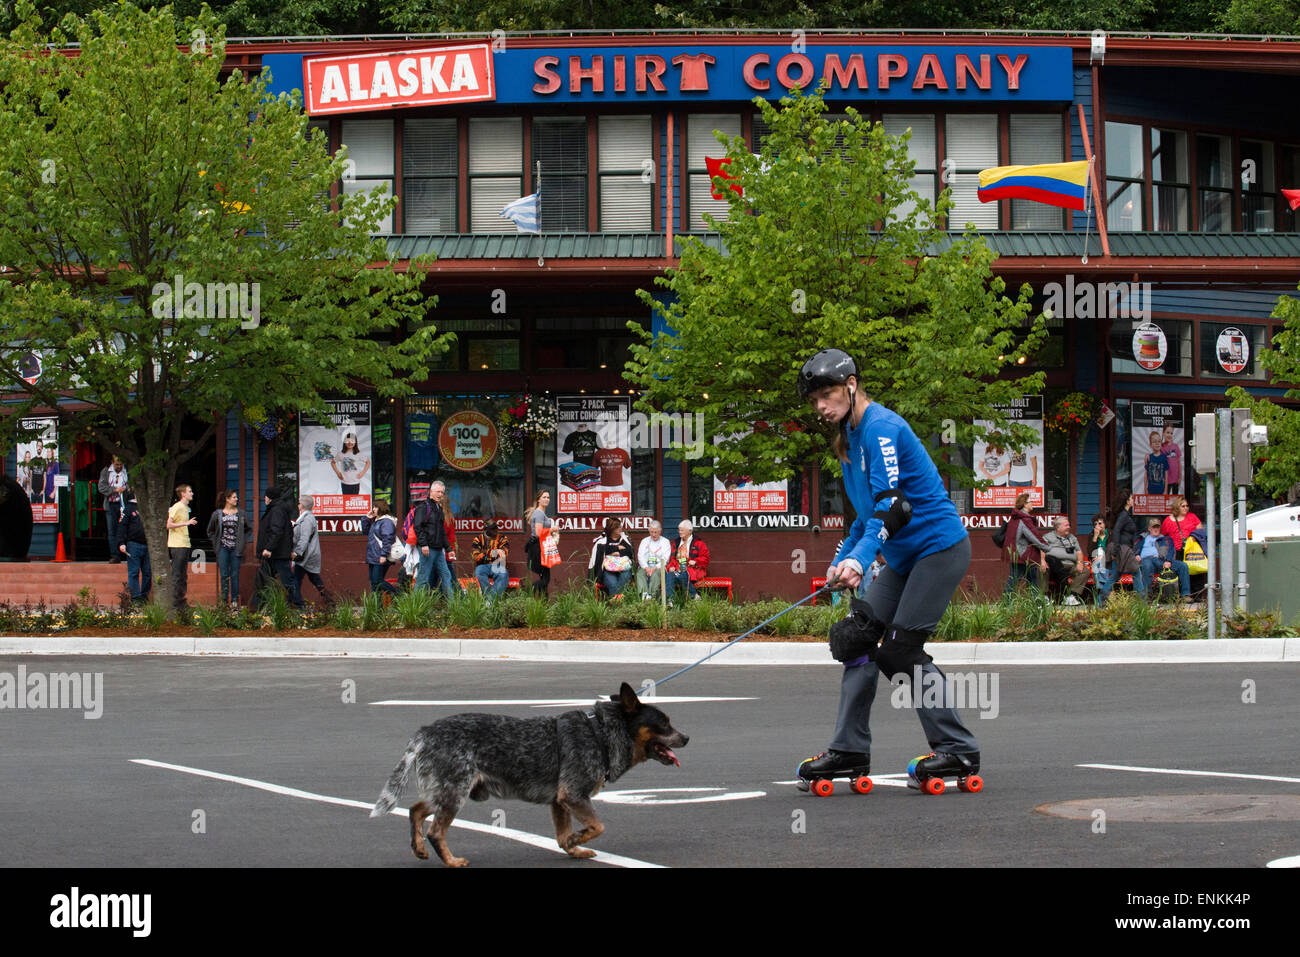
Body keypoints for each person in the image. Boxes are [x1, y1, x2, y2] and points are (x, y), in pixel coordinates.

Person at [794, 348, 980, 789]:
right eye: (814, 399)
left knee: (899, 651)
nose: (820, 405)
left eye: (827, 394)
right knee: (855, 640)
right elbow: (864, 516)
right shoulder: (848, 439)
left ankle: (957, 749)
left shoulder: (880, 428)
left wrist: (862, 559)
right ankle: (849, 750)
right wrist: (843, 561)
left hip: (938, 549)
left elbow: (893, 505)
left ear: (851, 385)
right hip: (900, 558)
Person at [252, 486, 302, 609]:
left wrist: (268, 548)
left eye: (265, 496)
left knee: (287, 581)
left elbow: (276, 531)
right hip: (275, 554)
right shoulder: (276, 509)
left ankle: (300, 606)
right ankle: (259, 607)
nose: (264, 498)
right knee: (264, 579)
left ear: (269, 498)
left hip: (277, 554)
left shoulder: (276, 510)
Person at [207, 489, 252, 608]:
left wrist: (243, 541)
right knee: (224, 575)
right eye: (234, 497)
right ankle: (223, 602)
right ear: (227, 499)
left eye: (236, 497)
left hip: (236, 548)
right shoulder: (218, 514)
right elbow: (210, 530)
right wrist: (216, 542)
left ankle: (234, 601)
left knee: (235, 574)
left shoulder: (241, 514)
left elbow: (249, 529)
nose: (236, 499)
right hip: (223, 548)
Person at [1134, 517, 1192, 603]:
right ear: (1149, 528)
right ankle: (1147, 595)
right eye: (1154, 527)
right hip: (1147, 560)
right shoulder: (1141, 539)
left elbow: (1171, 551)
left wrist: (1168, 560)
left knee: (1183, 566)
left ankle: (1185, 595)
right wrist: (1136, 555)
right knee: (1146, 564)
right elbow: (1133, 549)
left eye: (1158, 527)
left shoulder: (1166, 539)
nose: (1156, 529)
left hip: (1162, 561)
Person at [1002, 492, 1049, 595]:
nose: (1033, 503)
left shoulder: (1015, 518)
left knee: (1031, 580)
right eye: (1030, 501)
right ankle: (1006, 602)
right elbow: (1034, 536)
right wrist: (1046, 547)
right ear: (1025, 504)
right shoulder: (1024, 519)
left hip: (1020, 553)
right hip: (1023, 555)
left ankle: (1036, 603)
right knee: (1016, 579)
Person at [414, 482, 454, 599]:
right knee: (423, 577)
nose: (440, 494)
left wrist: (448, 549)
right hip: (428, 548)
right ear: (431, 492)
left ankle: (452, 606)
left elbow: (441, 532)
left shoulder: (438, 508)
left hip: (438, 549)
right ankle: (415, 606)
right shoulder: (423, 507)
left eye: (442, 492)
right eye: (438, 492)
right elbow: (418, 527)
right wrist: (423, 544)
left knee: (446, 575)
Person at [292, 495, 332, 605]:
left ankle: (300, 606)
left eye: (299, 503)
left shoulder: (307, 519)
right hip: (308, 554)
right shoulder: (305, 518)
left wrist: (296, 552)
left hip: (305, 555)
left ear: (303, 505)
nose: (298, 504)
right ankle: (329, 601)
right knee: (314, 578)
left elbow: (304, 538)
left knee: (295, 581)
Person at [1042, 516, 1089, 605]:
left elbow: (1079, 552)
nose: (1069, 527)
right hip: (1053, 565)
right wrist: (1042, 561)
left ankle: (1070, 596)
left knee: (1085, 571)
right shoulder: (1048, 537)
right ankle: (1044, 596)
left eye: (1069, 525)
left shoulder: (1072, 538)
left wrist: (1080, 563)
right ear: (1058, 527)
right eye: (1066, 525)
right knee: (1042, 568)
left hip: (1070, 565)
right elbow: (1042, 549)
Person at [165, 484, 197, 611]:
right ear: (183, 494)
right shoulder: (177, 507)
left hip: (184, 544)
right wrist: (186, 523)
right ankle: (174, 603)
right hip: (177, 545)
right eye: (190, 491)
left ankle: (181, 602)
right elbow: (168, 525)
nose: (192, 493)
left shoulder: (185, 507)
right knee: (177, 574)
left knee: (183, 575)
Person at [588, 517, 635, 597]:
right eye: (618, 527)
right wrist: (617, 548)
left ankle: (615, 603)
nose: (620, 528)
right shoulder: (602, 542)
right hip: (607, 570)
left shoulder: (625, 540)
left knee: (624, 579)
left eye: (620, 526)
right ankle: (619, 604)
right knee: (612, 583)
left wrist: (613, 553)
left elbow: (629, 552)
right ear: (612, 529)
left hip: (624, 569)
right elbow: (601, 554)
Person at [117, 492, 151, 603]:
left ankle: (144, 596)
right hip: (133, 544)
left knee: (148, 572)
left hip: (148, 544)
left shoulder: (149, 507)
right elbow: (122, 526)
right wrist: (121, 542)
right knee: (134, 572)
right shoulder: (129, 508)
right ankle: (136, 598)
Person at [361, 499, 399, 596]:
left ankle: (399, 596)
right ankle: (377, 608)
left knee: (378, 581)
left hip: (380, 556)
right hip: (373, 556)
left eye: (376, 507)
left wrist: (383, 554)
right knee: (374, 583)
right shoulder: (376, 521)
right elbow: (365, 531)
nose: (373, 509)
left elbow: (388, 538)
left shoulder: (386, 521)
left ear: (381, 508)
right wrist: (366, 518)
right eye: (373, 507)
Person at [666, 520, 709, 602]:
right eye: (679, 530)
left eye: (682, 530)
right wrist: (671, 566)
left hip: (693, 569)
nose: (679, 532)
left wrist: (696, 561)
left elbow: (706, 559)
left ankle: (693, 596)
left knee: (683, 573)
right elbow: (672, 559)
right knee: (669, 575)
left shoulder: (699, 543)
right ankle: (670, 600)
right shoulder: (676, 543)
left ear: (689, 531)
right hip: (678, 569)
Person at [524, 490, 557, 597]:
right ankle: (529, 590)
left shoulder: (541, 513)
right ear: (538, 499)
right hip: (538, 546)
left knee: (544, 577)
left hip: (542, 545)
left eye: (548, 497)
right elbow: (538, 533)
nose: (547, 499)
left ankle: (544, 603)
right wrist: (552, 529)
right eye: (544, 497)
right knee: (546, 579)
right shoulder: (538, 513)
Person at [98, 456, 129, 563]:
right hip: (111, 504)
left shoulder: (127, 471)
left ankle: (127, 554)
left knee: (126, 528)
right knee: (112, 531)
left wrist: (126, 490)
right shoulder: (106, 471)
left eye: (121, 464)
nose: (119, 467)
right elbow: (101, 487)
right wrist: (115, 490)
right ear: (112, 463)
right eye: (117, 464)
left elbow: (133, 486)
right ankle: (115, 555)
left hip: (124, 504)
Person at [472, 519, 510, 598]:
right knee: (479, 572)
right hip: (483, 566)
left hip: (498, 566)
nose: (496, 530)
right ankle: (488, 597)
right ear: (486, 530)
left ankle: (490, 600)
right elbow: (476, 556)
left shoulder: (502, 538)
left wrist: (485, 553)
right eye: (493, 529)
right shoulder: (478, 539)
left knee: (503, 574)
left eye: (496, 528)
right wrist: (494, 552)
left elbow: (504, 553)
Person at [636, 520, 672, 599]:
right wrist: (646, 567)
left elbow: (665, 559)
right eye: (651, 532)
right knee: (640, 574)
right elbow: (640, 556)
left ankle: (652, 596)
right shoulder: (644, 541)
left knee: (655, 574)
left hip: (659, 566)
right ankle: (644, 596)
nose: (653, 534)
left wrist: (654, 568)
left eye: (656, 532)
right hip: (645, 566)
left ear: (660, 531)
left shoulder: (665, 542)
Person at [1143, 431, 1169, 496]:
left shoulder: (1164, 458)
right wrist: (1145, 489)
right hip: (1150, 490)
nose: (1157, 443)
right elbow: (1146, 474)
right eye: (1154, 442)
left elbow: (1166, 475)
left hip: (1161, 490)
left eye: (1159, 441)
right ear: (1150, 444)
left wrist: (1166, 490)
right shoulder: (1149, 458)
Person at [1161, 424, 1181, 495]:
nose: (1169, 435)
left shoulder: (1175, 446)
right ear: (1163, 433)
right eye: (1167, 432)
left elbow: (1179, 462)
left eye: (1171, 433)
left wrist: (1180, 477)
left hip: (1175, 478)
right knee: (1166, 497)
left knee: (1175, 498)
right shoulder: (1161, 447)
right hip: (1166, 479)